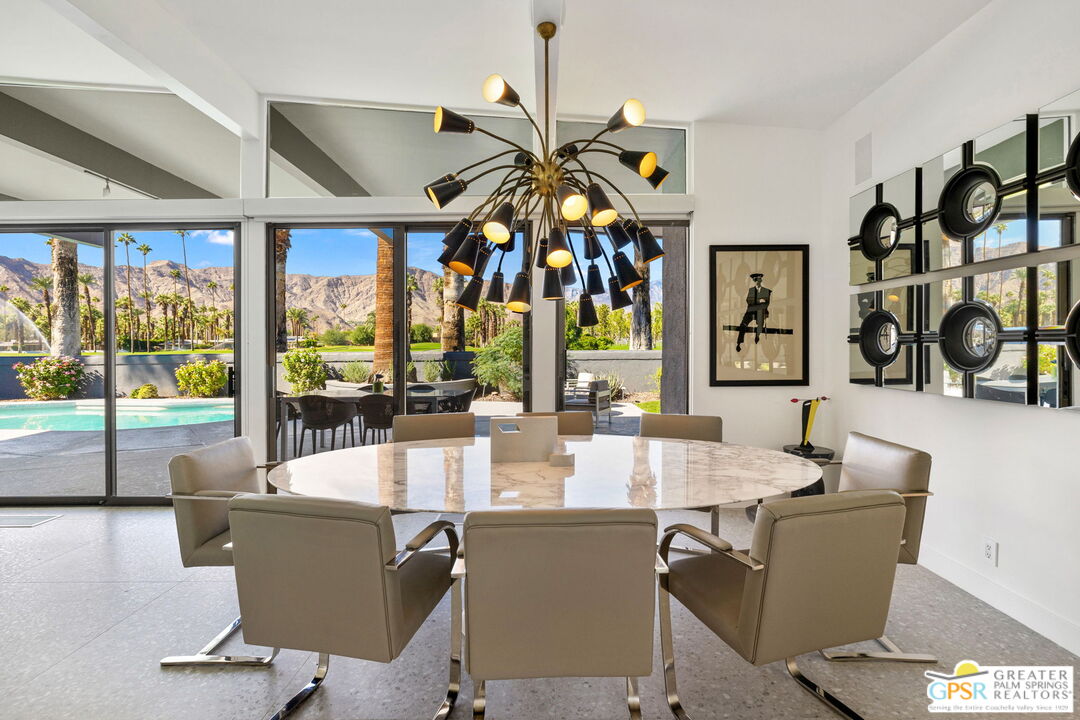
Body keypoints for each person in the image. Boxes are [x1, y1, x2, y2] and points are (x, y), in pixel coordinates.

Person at [736, 272, 771, 352]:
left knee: (760, 321)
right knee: (743, 324)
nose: (757, 281)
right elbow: (748, 301)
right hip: (750, 311)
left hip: (759, 312)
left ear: (761, 280)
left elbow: (766, 304)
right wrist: (759, 301)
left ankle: (757, 336)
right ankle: (739, 343)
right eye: (755, 280)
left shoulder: (766, 291)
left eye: (759, 279)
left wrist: (757, 303)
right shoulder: (751, 290)